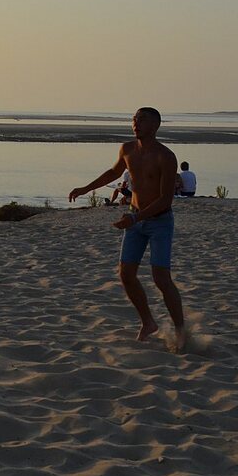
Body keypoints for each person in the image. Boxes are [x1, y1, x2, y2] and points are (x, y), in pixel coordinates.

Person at [69, 107, 185, 346]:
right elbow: (113, 172)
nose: (136, 123)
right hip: (134, 218)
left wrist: (136, 218)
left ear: (155, 125)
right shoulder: (127, 149)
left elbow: (166, 199)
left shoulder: (165, 156)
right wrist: (85, 189)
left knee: (161, 278)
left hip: (159, 222)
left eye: (142, 119)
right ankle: (148, 322)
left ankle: (181, 330)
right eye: (134, 119)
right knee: (126, 274)